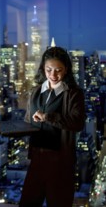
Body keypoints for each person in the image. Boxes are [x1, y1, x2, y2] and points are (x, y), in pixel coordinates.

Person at [19, 46, 86, 207]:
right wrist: (5, 129)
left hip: (60, 164)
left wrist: (48, 117)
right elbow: (28, 122)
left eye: (58, 70)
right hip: (36, 160)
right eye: (49, 69)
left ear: (66, 70)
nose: (53, 75)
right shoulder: (36, 91)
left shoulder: (73, 94)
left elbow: (77, 122)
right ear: (43, 68)